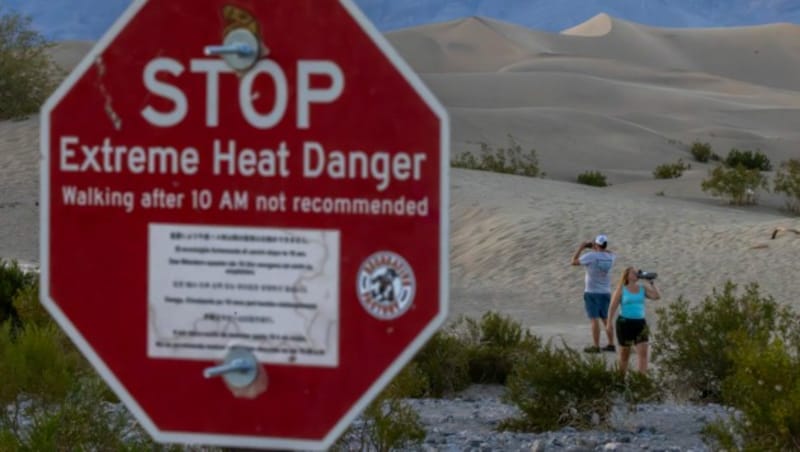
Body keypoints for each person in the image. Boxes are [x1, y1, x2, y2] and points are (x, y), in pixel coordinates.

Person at [606, 267, 661, 373]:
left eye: (637, 272)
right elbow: (612, 307)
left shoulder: (642, 288)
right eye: (633, 272)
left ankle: (641, 381)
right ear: (627, 275)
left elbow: (657, 296)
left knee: (643, 354)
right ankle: (620, 381)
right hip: (624, 323)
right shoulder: (622, 289)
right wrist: (609, 323)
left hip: (640, 323)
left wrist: (651, 283)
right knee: (624, 355)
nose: (636, 273)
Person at [571, 234, 616, 353]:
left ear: (596, 245)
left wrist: (581, 247)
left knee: (594, 319)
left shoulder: (591, 256)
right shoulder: (611, 257)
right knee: (606, 319)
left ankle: (596, 346)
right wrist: (596, 246)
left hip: (592, 292)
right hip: (605, 292)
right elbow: (609, 251)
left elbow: (574, 261)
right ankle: (611, 344)